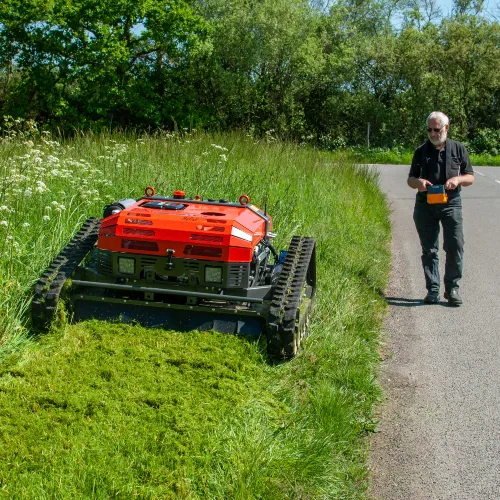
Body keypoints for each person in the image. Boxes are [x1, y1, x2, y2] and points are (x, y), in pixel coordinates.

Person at [407, 111, 474, 306]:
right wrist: (418, 182)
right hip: (425, 204)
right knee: (429, 249)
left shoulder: (458, 149)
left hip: (451, 202)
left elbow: (470, 177)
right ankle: (433, 289)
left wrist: (457, 179)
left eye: (437, 129)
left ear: (446, 128)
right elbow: (410, 179)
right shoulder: (421, 151)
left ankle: (452, 288)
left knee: (455, 245)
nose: (433, 133)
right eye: (429, 129)